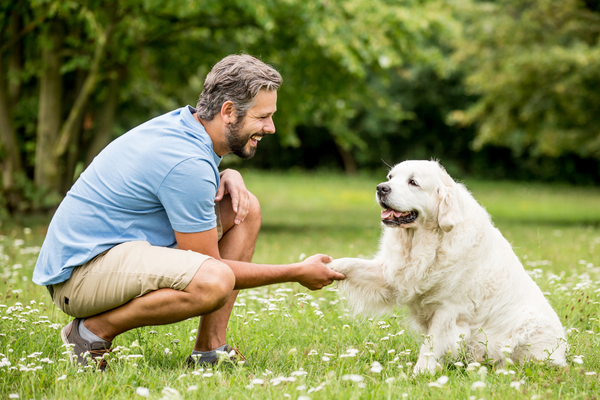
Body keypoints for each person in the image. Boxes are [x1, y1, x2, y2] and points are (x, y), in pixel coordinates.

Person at [32, 54, 345, 370]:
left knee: (245, 208)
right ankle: (89, 334)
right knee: (214, 280)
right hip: (79, 276)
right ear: (228, 112)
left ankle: (210, 349)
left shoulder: (187, 127)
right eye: (262, 117)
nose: (271, 127)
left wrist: (227, 175)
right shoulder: (187, 162)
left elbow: (175, 184)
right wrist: (295, 271)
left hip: (108, 254)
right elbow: (210, 266)